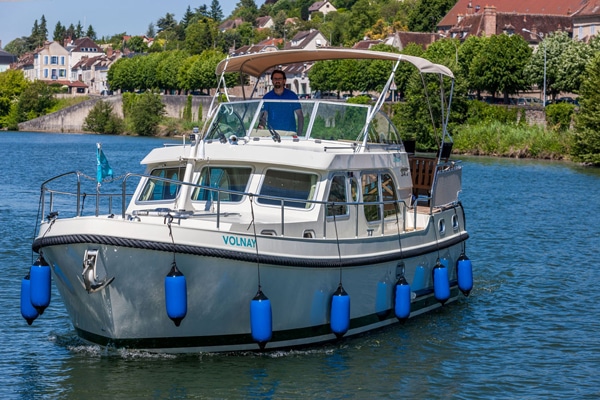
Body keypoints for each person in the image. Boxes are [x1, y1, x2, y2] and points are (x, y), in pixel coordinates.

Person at [259, 70, 304, 135]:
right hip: (273, 136)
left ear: (284, 81)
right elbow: (263, 117)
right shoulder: (267, 97)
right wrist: (261, 129)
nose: (277, 81)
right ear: (272, 81)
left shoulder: (292, 96)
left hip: (289, 135)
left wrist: (299, 135)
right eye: (275, 79)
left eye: (279, 79)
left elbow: (300, 116)